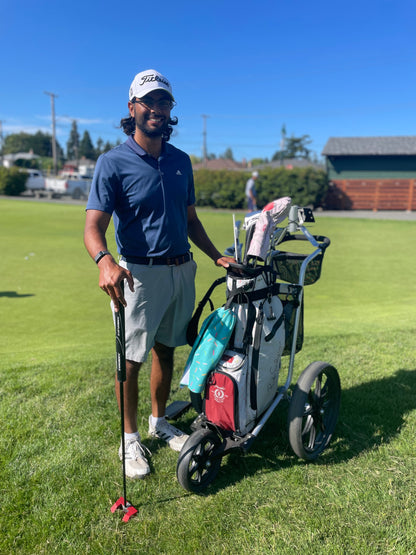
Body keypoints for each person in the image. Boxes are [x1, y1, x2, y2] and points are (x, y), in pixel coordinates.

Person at [84, 69, 234, 479]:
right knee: (130, 360)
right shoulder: (112, 162)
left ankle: (158, 421)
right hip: (138, 275)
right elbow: (93, 226)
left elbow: (190, 219)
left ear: (170, 111)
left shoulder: (181, 161)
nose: (156, 109)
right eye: (148, 102)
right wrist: (104, 261)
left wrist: (217, 256)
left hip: (181, 268)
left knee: (166, 349)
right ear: (132, 108)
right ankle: (130, 440)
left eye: (164, 102)